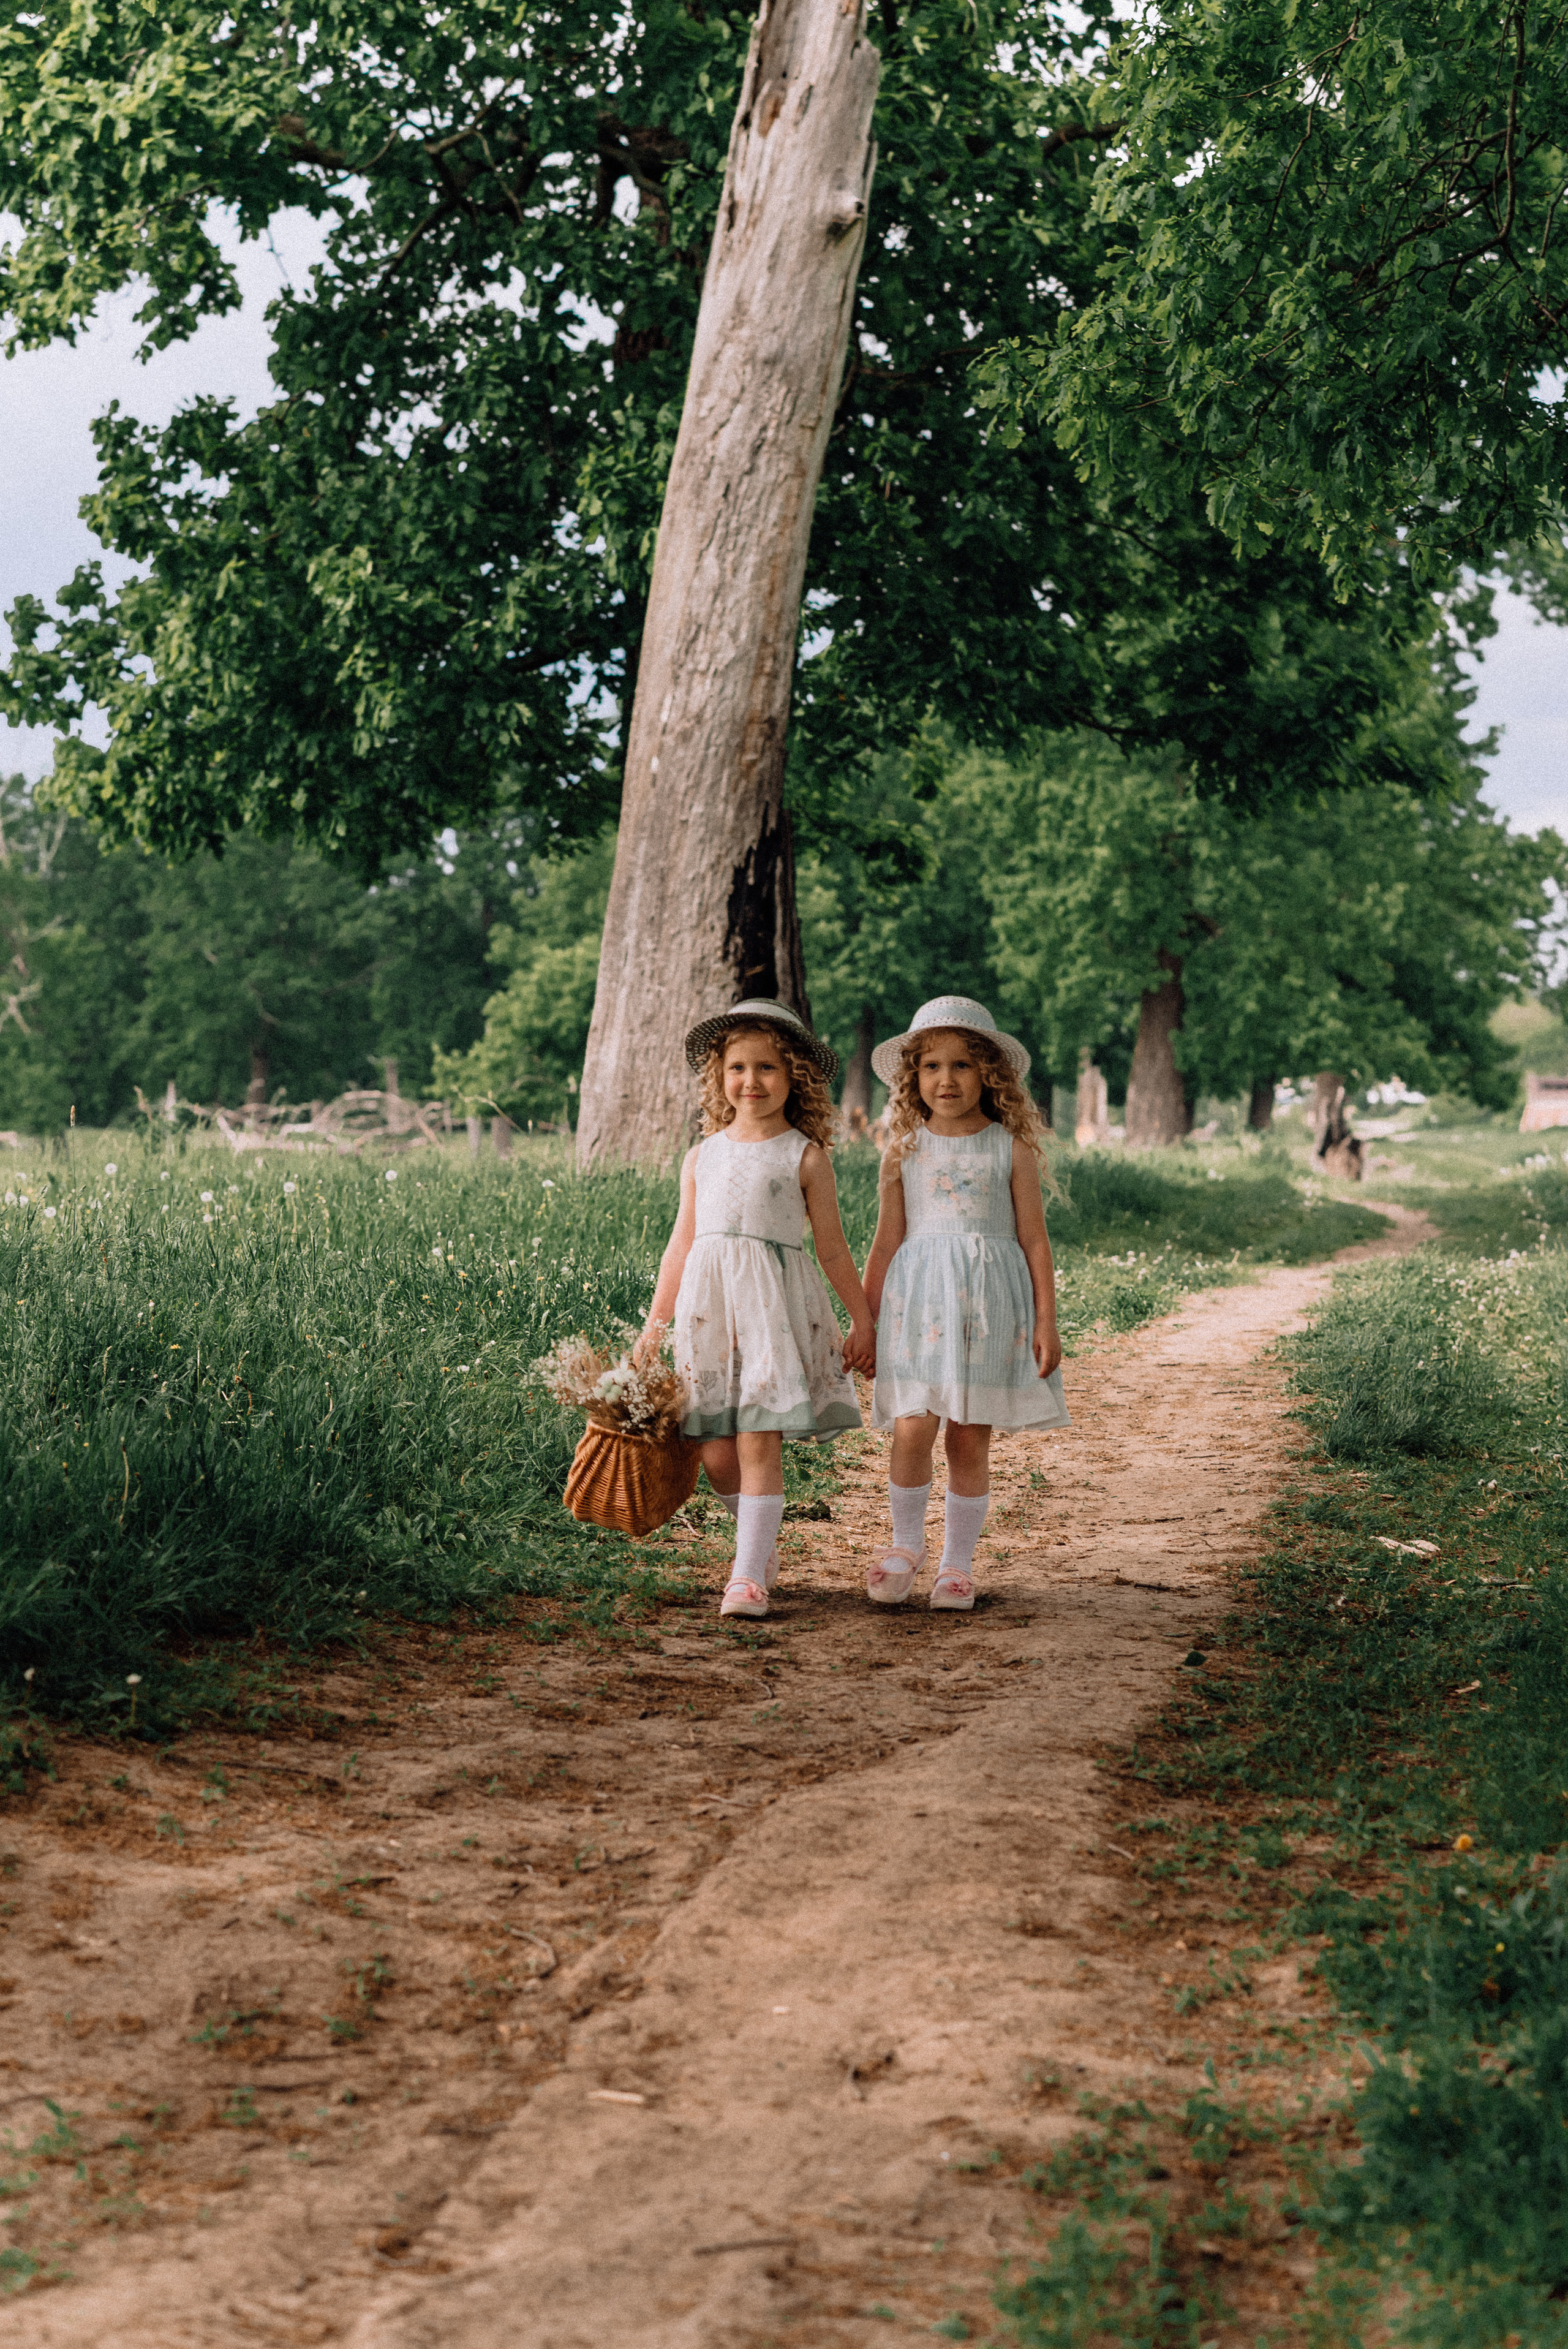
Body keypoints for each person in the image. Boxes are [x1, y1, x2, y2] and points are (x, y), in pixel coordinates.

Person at [641, 999, 876, 1619]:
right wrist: (653, 1328)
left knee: (757, 1440)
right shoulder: (702, 1156)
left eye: (767, 1067)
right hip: (710, 1314)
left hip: (772, 1312)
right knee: (715, 1451)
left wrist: (862, 1318)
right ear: (719, 1076)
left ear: (793, 1076)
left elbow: (832, 1248)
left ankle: (746, 1576)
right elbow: (680, 1246)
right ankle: (758, 1540)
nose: (752, 1081)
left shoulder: (804, 1155)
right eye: (738, 1068)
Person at [861, 995, 1068, 1611]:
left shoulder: (1009, 1147)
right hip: (918, 1307)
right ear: (913, 1077)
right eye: (931, 1066)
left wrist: (1047, 1321)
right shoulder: (903, 1149)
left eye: (961, 1065)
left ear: (989, 1074)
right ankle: (906, 1544)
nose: (945, 1079)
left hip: (987, 1308)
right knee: (912, 1426)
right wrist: (864, 1322)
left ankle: (957, 1563)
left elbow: (1034, 1240)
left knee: (968, 1437)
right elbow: (886, 1241)